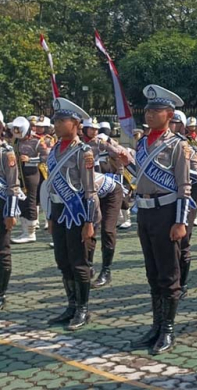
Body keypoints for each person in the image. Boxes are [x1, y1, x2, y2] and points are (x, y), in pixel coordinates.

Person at [130, 85, 192, 355]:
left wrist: (180, 222)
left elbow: (184, 186)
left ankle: (167, 329)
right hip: (145, 211)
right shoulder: (142, 143)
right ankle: (156, 325)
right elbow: (142, 176)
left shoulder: (179, 145)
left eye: (156, 110)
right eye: (148, 110)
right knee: (152, 271)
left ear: (169, 114)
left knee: (168, 274)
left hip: (167, 212)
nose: (150, 114)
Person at [44, 98, 98, 331]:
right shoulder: (55, 149)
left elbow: (90, 191)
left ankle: (83, 309)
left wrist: (89, 221)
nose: (55, 124)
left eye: (61, 120)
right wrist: (49, 217)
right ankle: (71, 304)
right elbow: (51, 186)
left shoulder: (83, 152)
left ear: (75, 123)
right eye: (55, 120)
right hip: (58, 210)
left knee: (79, 262)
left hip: (76, 213)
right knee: (63, 260)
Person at [82, 119, 131, 289]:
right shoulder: (80, 145)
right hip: (91, 190)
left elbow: (123, 157)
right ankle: (88, 266)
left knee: (108, 229)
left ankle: (106, 271)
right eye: (91, 129)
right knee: (89, 228)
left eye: (96, 129)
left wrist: (109, 145)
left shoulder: (104, 142)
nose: (94, 131)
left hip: (110, 190)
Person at [170, 111, 197, 299]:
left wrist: (176, 174)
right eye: (171, 121)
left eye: (176, 122)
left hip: (188, 194)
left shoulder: (187, 146)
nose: (171, 125)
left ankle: (181, 283)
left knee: (183, 238)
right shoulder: (155, 144)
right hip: (167, 197)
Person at [11, 117, 46, 244]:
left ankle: (31, 233)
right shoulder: (15, 140)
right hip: (18, 172)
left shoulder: (37, 141)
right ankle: (25, 231)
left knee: (31, 201)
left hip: (32, 172)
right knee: (21, 202)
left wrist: (31, 159)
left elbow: (46, 157)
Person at [0, 111, 22, 310]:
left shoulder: (6, 152)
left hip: (1, 206)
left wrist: (11, 213)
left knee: (2, 251)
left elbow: (13, 184)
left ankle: (1, 293)